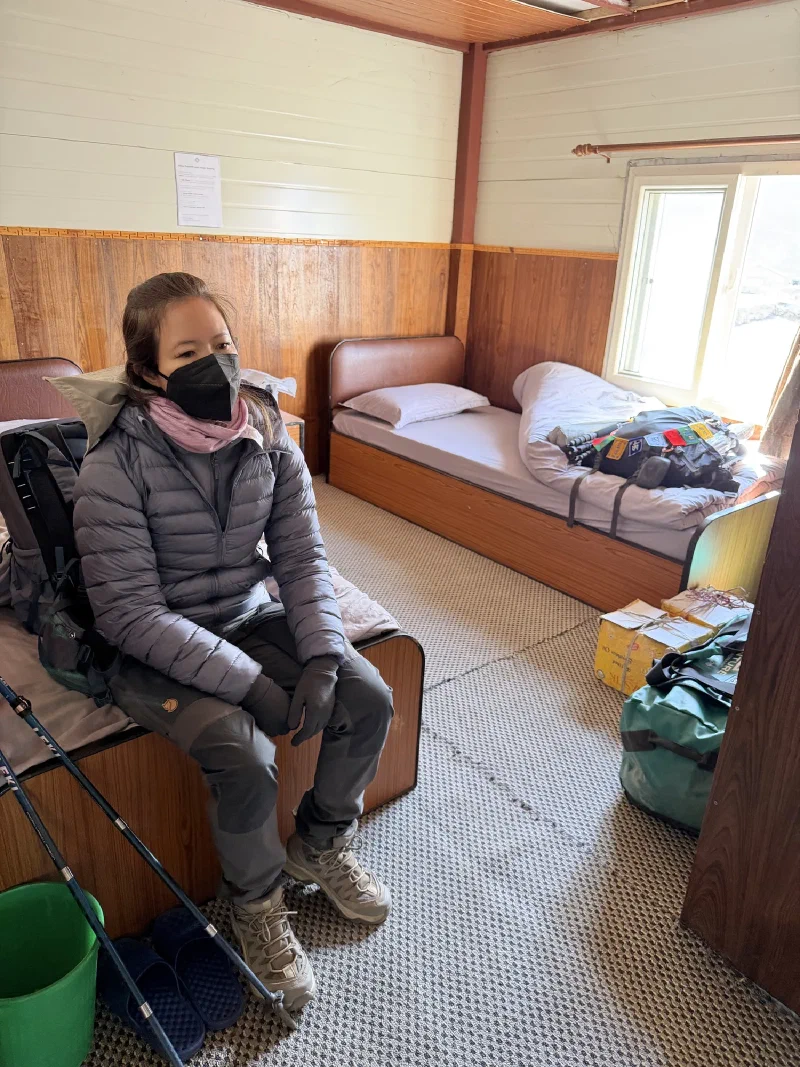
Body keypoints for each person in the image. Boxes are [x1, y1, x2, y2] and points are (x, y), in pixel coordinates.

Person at [70, 271, 394, 1013]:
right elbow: (129, 614)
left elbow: (303, 556)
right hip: (153, 643)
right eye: (189, 350)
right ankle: (256, 905)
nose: (215, 362)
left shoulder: (266, 431)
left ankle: (320, 840)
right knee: (246, 754)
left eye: (223, 343)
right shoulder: (113, 461)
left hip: (247, 610)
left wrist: (317, 655)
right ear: (149, 369)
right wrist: (251, 684)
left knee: (368, 694)